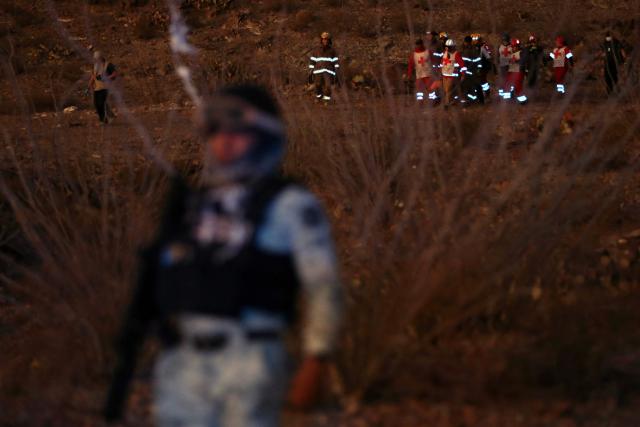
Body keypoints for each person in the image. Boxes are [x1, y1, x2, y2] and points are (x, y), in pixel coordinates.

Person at [104, 85, 344, 426]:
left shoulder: (289, 205)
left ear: (263, 136)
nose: (223, 141)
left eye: (237, 132)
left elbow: (323, 285)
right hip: (185, 362)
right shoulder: (194, 204)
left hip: (249, 357)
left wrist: (317, 357)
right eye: (215, 131)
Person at [309, 32, 340, 103]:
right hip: (318, 70)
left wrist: (337, 69)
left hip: (329, 71)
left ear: (329, 40)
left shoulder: (332, 50)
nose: (324, 40)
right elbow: (312, 60)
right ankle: (318, 97)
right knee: (317, 85)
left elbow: (335, 60)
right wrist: (311, 69)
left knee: (328, 86)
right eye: (323, 39)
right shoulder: (316, 50)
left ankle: (326, 100)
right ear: (321, 40)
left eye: (326, 39)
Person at [89, 51, 117, 124]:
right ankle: (103, 119)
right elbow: (93, 76)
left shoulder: (108, 65)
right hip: (97, 88)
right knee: (96, 104)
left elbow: (114, 74)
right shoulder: (95, 66)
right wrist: (89, 85)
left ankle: (107, 117)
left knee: (101, 103)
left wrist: (107, 77)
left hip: (106, 87)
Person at [407, 38, 438, 103]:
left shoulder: (428, 52)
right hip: (419, 74)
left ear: (422, 44)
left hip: (428, 73)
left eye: (419, 44)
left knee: (430, 88)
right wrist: (409, 74)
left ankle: (433, 100)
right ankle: (420, 101)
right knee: (419, 89)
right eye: (417, 44)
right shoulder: (414, 54)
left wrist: (436, 69)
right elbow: (411, 64)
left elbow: (434, 61)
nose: (418, 46)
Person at [440, 38, 465, 107]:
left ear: (453, 47)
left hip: (452, 75)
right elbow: (442, 63)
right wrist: (440, 72)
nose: (447, 48)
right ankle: (453, 101)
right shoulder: (444, 53)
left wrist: (463, 75)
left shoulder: (456, 54)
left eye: (449, 47)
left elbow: (462, 65)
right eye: (447, 47)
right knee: (447, 90)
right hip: (444, 75)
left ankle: (446, 104)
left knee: (448, 90)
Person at [461, 35, 484, 104]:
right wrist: (478, 69)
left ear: (466, 42)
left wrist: (465, 70)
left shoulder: (467, 50)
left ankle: (474, 100)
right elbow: (478, 61)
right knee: (475, 86)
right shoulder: (474, 49)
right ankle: (478, 100)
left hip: (470, 71)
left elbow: (465, 62)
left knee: (469, 86)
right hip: (473, 71)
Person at [505, 38, 527, 104]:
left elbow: (523, 61)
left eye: (515, 46)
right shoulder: (511, 53)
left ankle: (523, 101)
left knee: (518, 87)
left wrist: (516, 61)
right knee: (507, 85)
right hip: (511, 71)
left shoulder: (521, 52)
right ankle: (508, 99)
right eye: (513, 46)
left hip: (518, 72)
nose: (514, 48)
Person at [497, 33, 513, 99]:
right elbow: (497, 56)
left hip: (510, 66)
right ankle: (501, 95)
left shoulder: (512, 47)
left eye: (506, 40)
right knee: (502, 80)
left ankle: (510, 94)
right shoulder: (500, 47)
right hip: (502, 66)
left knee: (509, 80)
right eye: (504, 40)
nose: (505, 42)